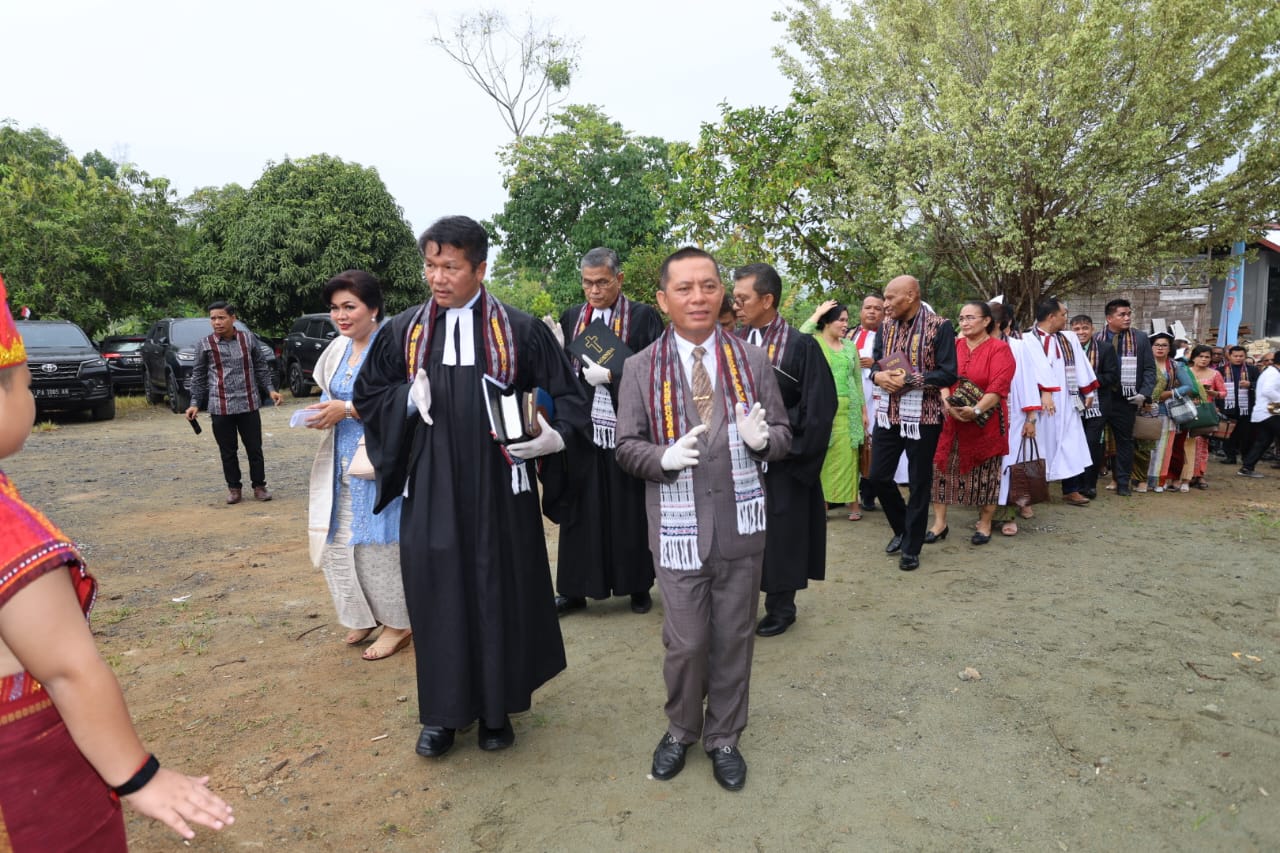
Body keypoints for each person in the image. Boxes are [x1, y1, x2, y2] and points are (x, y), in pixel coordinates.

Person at [0, 275, 235, 849]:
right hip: (27, 776)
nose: (30, 399)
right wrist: (139, 775)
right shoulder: (10, 534)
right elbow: (67, 669)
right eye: (25, 385)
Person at [353, 216, 588, 759]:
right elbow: (370, 395)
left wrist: (552, 438)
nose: (437, 277)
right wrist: (406, 401)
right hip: (430, 482)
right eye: (431, 265)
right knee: (438, 594)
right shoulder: (402, 331)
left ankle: (496, 710)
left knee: (496, 588)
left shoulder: (522, 330)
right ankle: (441, 715)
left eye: (450, 266)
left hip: (499, 484)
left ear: (480, 268)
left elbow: (569, 399)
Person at [615, 247, 791, 792]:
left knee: (735, 637)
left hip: (741, 526)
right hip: (678, 531)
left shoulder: (753, 360)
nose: (698, 297)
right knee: (688, 642)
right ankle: (680, 728)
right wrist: (661, 460)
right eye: (685, 288)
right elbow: (625, 445)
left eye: (708, 286)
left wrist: (764, 445)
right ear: (664, 299)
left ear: (722, 294)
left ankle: (724, 736)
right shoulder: (640, 367)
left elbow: (782, 434)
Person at [303, 271, 412, 660]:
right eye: (334, 308)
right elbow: (329, 390)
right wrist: (322, 411)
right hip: (339, 458)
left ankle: (398, 624)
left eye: (350, 307)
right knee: (338, 540)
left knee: (377, 544)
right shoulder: (336, 348)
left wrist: (348, 409)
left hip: (379, 459)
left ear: (374, 308)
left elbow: (408, 400)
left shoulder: (391, 347)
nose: (341, 316)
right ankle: (360, 614)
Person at [553, 248, 665, 616]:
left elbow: (656, 369)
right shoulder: (573, 317)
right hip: (584, 428)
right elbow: (564, 375)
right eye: (587, 283)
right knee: (581, 506)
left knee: (628, 506)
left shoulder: (644, 317)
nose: (594, 291)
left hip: (626, 425)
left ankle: (636, 585)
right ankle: (575, 589)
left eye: (602, 282)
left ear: (619, 279)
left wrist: (615, 376)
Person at [733, 263, 836, 638]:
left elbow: (820, 407)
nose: (736, 304)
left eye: (742, 298)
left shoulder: (800, 345)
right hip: (739, 458)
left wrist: (784, 447)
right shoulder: (733, 343)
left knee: (782, 532)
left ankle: (781, 606)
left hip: (783, 458)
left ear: (767, 299)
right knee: (742, 533)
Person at [868, 276, 957, 571]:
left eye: (891, 298)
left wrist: (910, 380)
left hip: (924, 417)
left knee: (919, 483)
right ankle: (903, 529)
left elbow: (948, 374)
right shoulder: (885, 326)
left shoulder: (940, 326)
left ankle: (911, 547)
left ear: (910, 295)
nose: (886, 304)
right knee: (878, 476)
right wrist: (877, 377)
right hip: (888, 414)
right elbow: (877, 367)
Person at [926, 301, 1015, 544]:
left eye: (970, 318)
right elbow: (942, 375)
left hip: (985, 422)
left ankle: (984, 523)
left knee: (987, 474)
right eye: (961, 318)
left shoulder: (999, 349)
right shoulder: (952, 346)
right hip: (950, 421)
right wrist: (947, 402)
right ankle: (939, 523)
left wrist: (975, 410)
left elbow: (998, 386)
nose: (964, 322)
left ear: (987, 321)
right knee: (941, 470)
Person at [185, 301, 283, 504]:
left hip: (248, 403)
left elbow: (261, 367)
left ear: (233, 318)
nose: (217, 322)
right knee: (228, 451)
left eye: (221, 317)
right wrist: (194, 402)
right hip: (220, 406)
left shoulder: (248, 339)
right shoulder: (205, 344)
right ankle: (234, 488)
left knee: (254, 448)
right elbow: (199, 376)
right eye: (213, 318)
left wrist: (271, 390)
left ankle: (259, 486)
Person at [1026, 297, 1099, 506]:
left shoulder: (1069, 338)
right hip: (1040, 403)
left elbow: (1081, 364)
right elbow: (1026, 371)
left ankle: (1071, 489)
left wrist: (1088, 391)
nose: (1065, 319)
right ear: (1051, 317)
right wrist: (1043, 392)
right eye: (1063, 315)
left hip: (1067, 401)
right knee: (1040, 445)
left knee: (1071, 444)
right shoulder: (1027, 340)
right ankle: (1039, 489)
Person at [800, 300, 865, 518]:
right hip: (823, 408)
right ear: (827, 322)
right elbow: (800, 336)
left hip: (850, 410)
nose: (845, 324)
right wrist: (817, 312)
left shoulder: (850, 346)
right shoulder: (814, 343)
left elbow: (857, 380)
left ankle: (853, 504)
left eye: (847, 320)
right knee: (825, 455)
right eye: (841, 320)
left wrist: (864, 411)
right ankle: (823, 504)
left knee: (850, 456)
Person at [991, 301, 1045, 536]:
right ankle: (986, 513)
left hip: (1011, 415)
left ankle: (1008, 514)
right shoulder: (970, 345)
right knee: (986, 467)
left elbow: (1027, 383)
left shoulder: (1017, 347)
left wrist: (1031, 418)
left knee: (1008, 466)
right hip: (981, 417)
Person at [1095, 298, 1156, 496]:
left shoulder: (1139, 338)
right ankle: (1088, 483)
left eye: (1129, 314)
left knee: (1125, 442)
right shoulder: (1097, 339)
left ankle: (1123, 483)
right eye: (1122, 314)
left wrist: (1144, 394)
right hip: (1101, 397)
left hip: (1127, 398)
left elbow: (1149, 369)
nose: (1127, 318)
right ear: (1109, 318)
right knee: (1094, 440)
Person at [1071, 315, 1119, 499]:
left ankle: (1089, 485)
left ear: (1092, 329)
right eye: (1076, 329)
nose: (1081, 332)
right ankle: (1073, 485)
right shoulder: (1066, 349)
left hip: (1097, 406)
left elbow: (1112, 376)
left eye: (1085, 328)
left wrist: (1087, 381)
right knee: (1074, 444)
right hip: (1072, 405)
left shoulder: (1104, 348)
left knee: (1092, 444)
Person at [1145, 332, 1193, 492]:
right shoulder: (1144, 364)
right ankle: (1141, 479)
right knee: (1144, 445)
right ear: (1151, 347)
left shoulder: (1175, 366)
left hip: (1166, 410)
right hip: (1144, 410)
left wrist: (1171, 393)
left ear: (1169, 348)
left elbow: (1188, 386)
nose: (1160, 348)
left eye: (1164, 345)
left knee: (1164, 447)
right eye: (1157, 345)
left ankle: (1159, 480)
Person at [850, 294, 885, 512]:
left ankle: (869, 492)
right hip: (853, 394)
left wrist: (876, 363)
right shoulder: (850, 333)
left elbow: (899, 363)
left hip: (877, 395)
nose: (871, 312)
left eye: (877, 308)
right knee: (852, 441)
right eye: (867, 307)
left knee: (873, 441)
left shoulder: (889, 335)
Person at [1184, 344, 1226, 490]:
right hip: (1186, 411)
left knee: (1202, 444)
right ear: (1194, 357)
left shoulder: (1215, 374)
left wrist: (1214, 394)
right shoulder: (1185, 372)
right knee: (1186, 443)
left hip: (1205, 412)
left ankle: (1200, 474)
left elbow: (1223, 393)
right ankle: (1186, 475)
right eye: (1200, 356)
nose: (1204, 359)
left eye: (1207, 357)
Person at [1238, 350, 1280, 478]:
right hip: (1269, 412)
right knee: (1263, 440)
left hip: (1265, 412)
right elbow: (1268, 390)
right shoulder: (1273, 373)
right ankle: (1247, 467)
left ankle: (1247, 467)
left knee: (1263, 441)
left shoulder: (1272, 372)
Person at [1218, 345, 1258, 466]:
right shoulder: (1221, 370)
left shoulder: (1252, 370)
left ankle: (1246, 457)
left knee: (1246, 434)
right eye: (1235, 356)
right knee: (1228, 433)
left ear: (1245, 356)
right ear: (1229, 356)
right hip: (1228, 406)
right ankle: (1230, 456)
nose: (1238, 358)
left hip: (1246, 407)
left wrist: (1250, 384)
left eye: (1241, 356)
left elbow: (1260, 384)